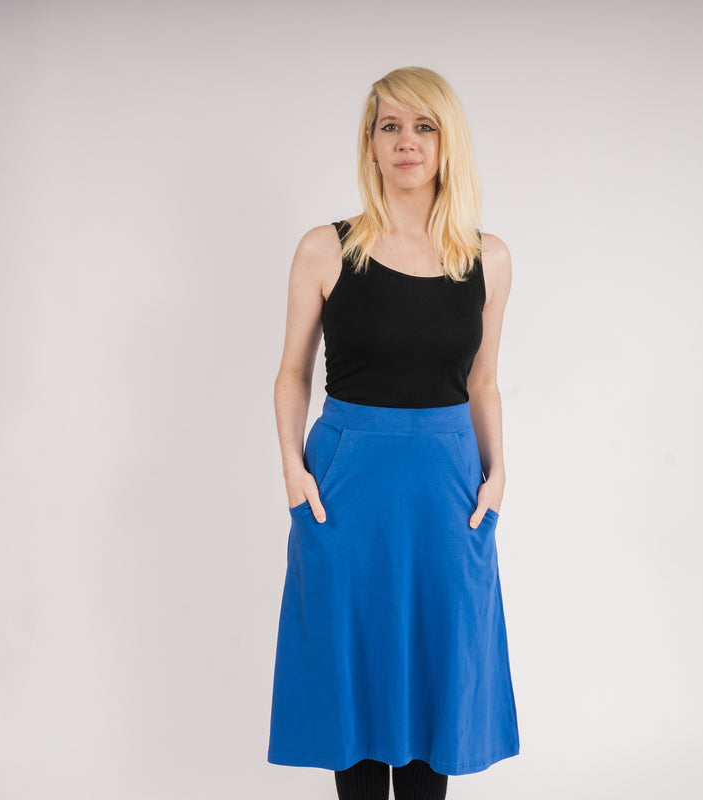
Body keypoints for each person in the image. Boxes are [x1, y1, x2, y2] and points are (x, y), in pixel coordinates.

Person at [267, 66, 519, 800]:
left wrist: (499, 474)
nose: (407, 141)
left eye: (424, 126)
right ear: (371, 143)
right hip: (344, 488)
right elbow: (292, 373)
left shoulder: (488, 258)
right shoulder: (326, 249)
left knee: (437, 678)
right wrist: (292, 468)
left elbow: (482, 382)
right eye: (391, 126)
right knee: (351, 676)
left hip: (450, 491)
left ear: (447, 142)